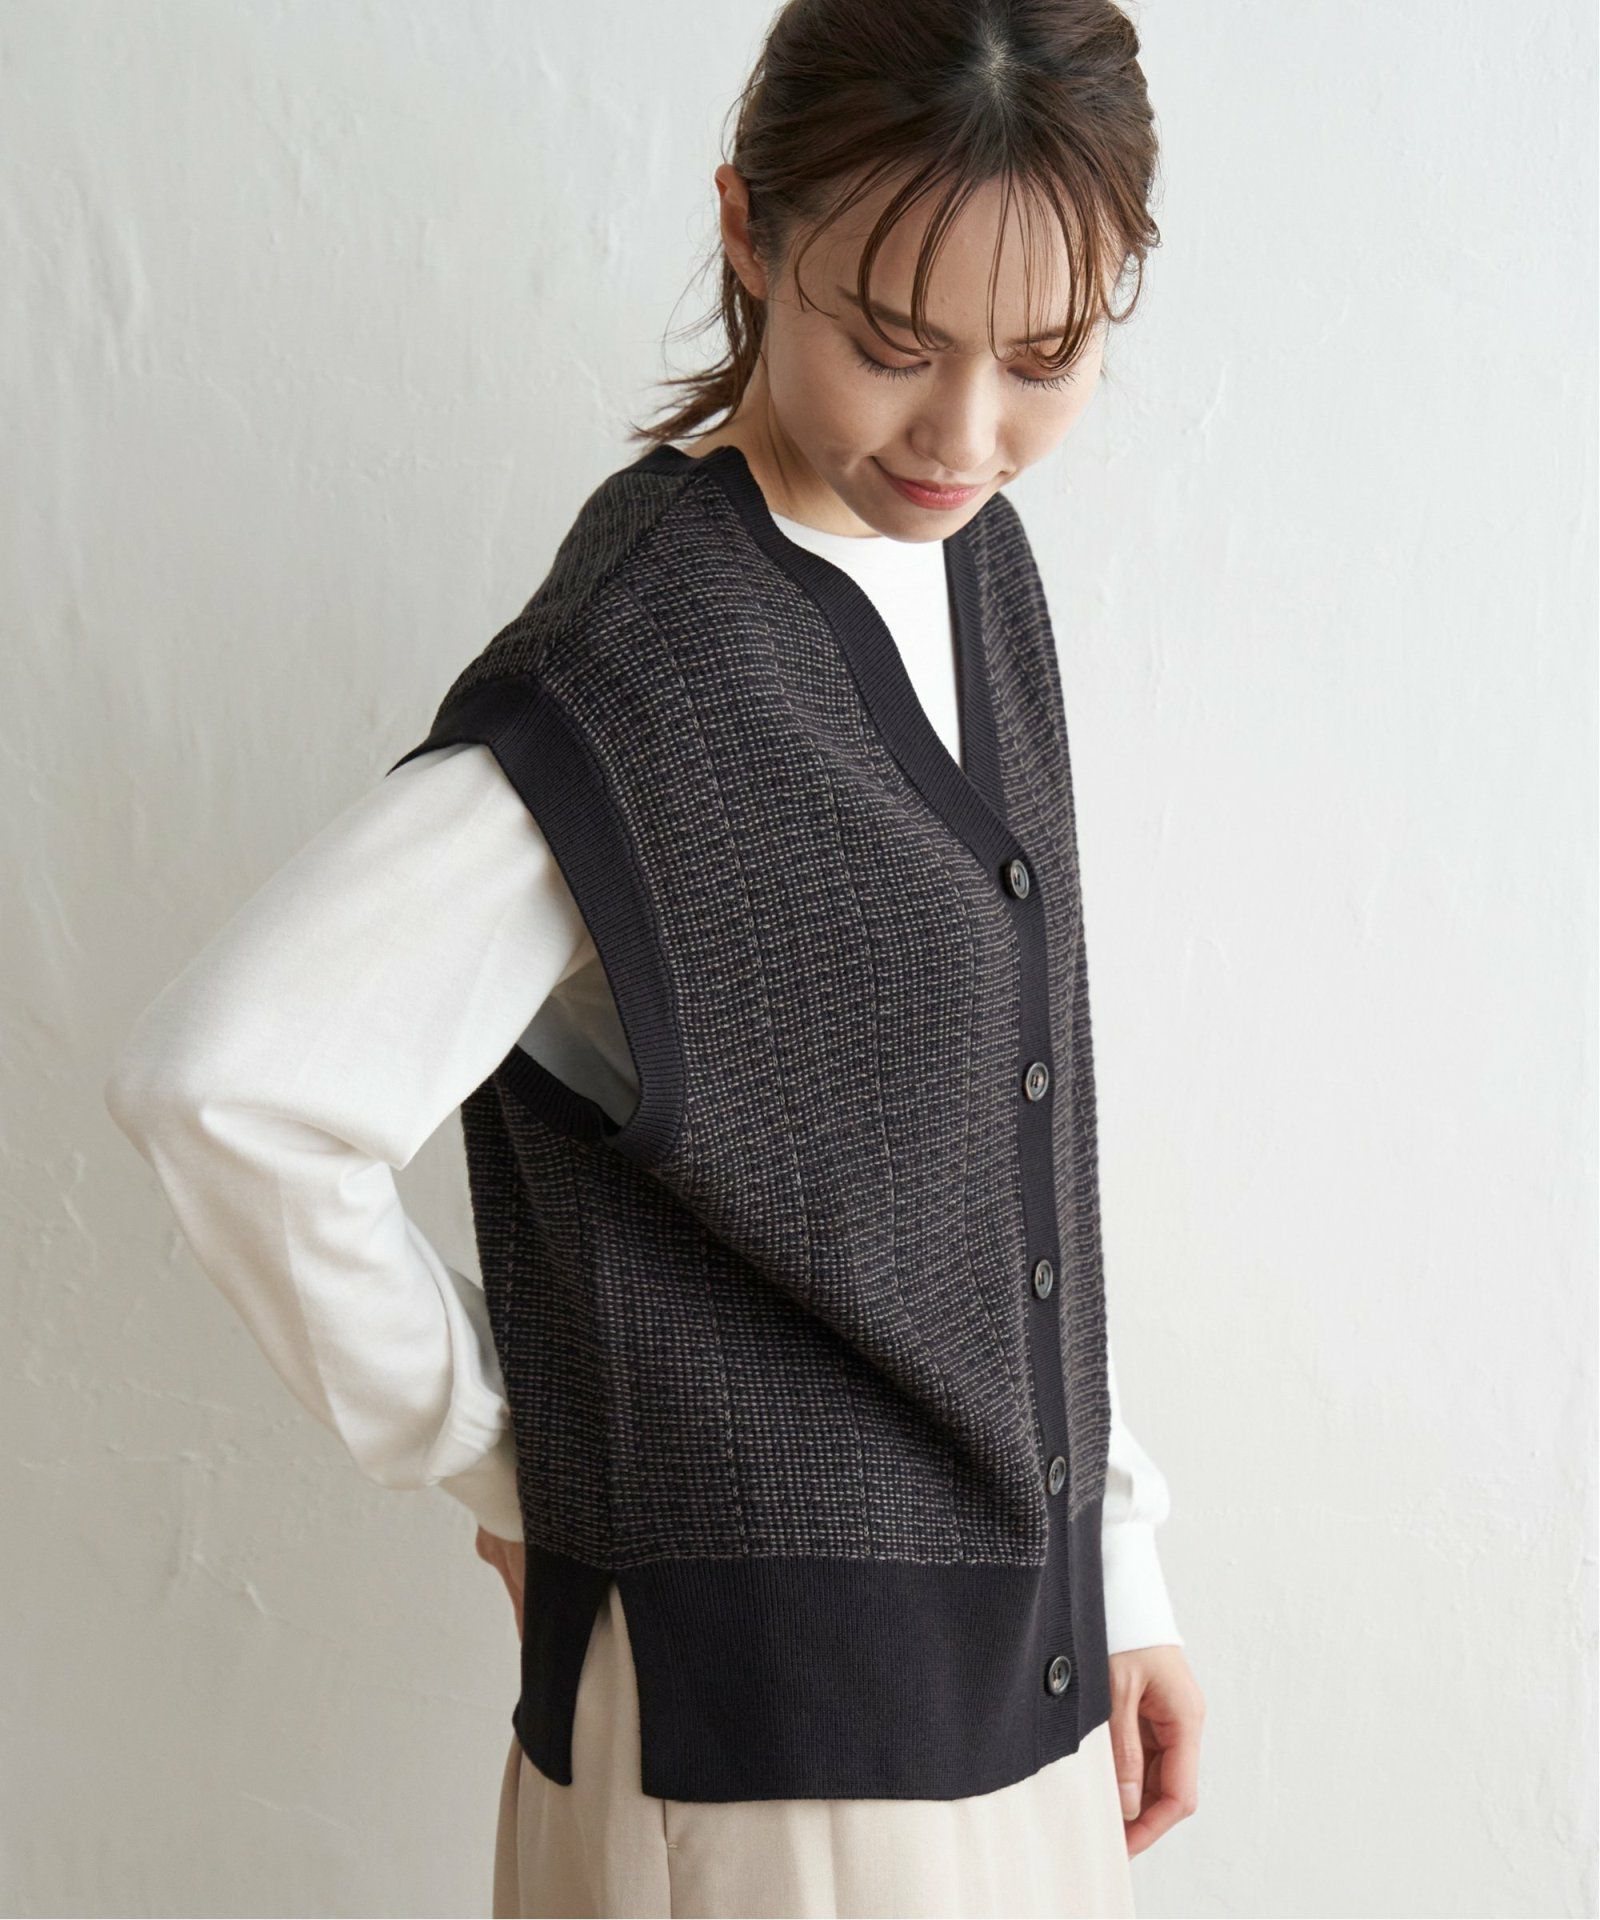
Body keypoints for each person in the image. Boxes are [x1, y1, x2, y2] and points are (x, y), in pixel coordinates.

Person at [105, 0, 1205, 1913]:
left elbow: (983, 1170)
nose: (966, 435)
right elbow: (225, 1091)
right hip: (773, 1768)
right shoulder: (644, 665)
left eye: (1045, 357)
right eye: (893, 343)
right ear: (749, 234)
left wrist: (1115, 1560)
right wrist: (513, 1460)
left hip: (995, 1711)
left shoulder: (972, 569)